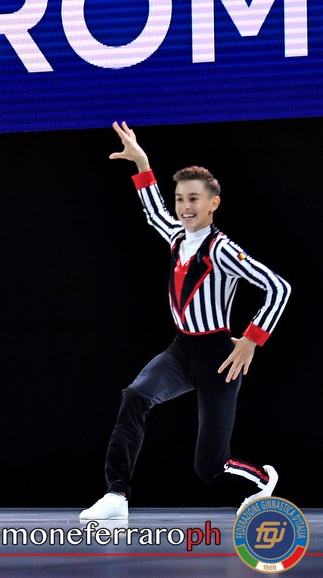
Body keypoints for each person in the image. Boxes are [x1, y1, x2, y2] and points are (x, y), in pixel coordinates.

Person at [80, 122, 291, 521]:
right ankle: (116, 494)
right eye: (180, 199)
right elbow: (153, 213)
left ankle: (263, 479)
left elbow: (278, 287)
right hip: (181, 351)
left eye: (194, 198)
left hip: (218, 359)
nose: (184, 207)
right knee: (135, 396)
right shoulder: (177, 236)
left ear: (213, 203)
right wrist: (142, 163)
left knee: (209, 467)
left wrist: (251, 339)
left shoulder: (222, 249)